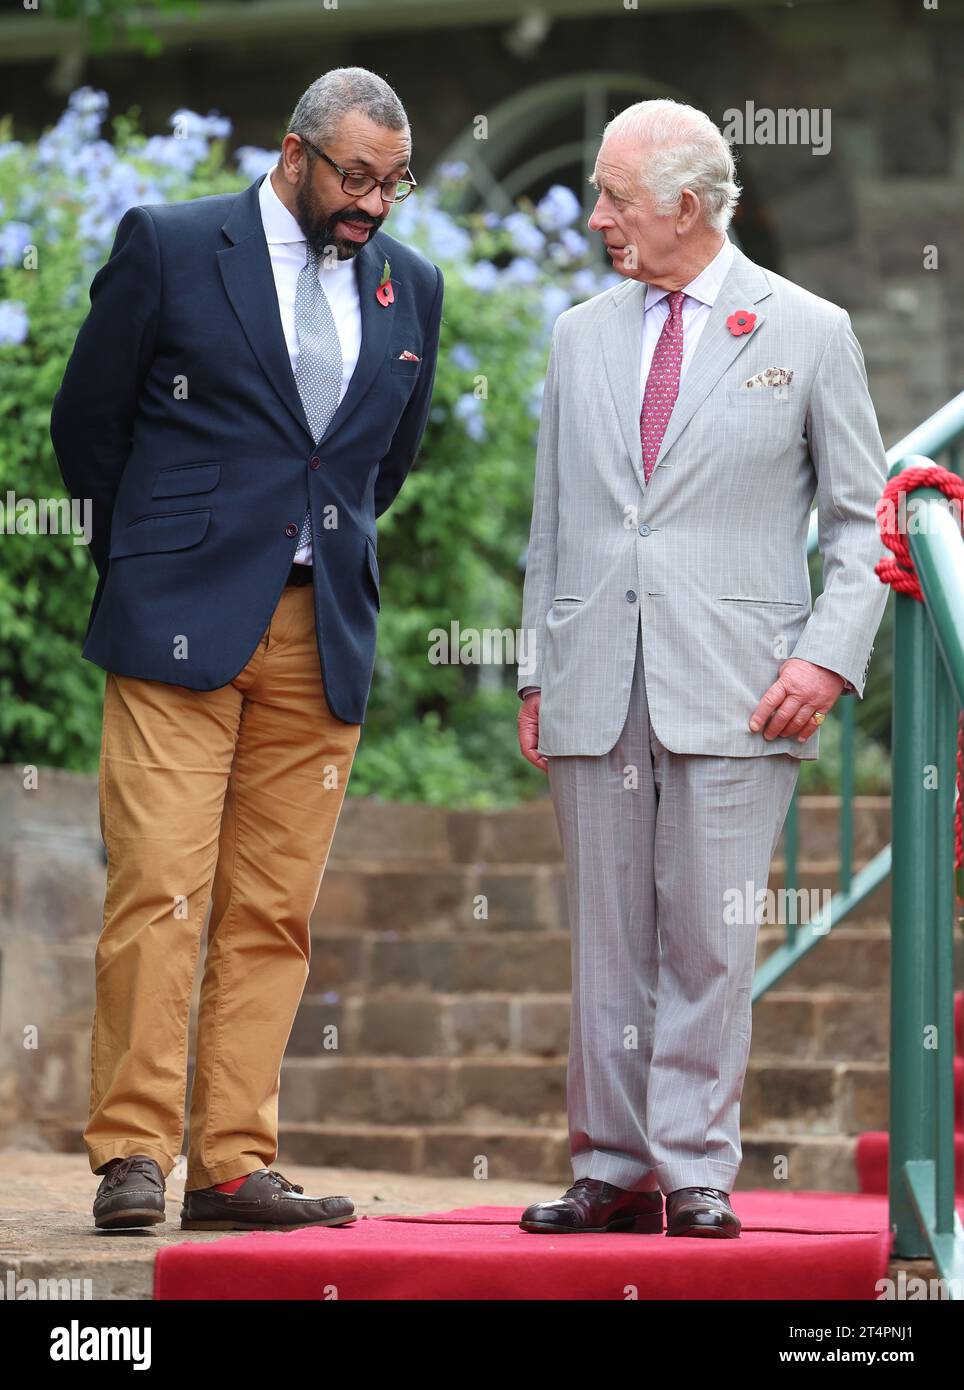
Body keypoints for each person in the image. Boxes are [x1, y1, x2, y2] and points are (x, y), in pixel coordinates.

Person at [50, 67, 443, 1232]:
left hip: (319, 633)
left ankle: (231, 1164)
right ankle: (132, 1154)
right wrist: (150, 561)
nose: (373, 203)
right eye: (357, 177)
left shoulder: (409, 287)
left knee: (273, 912)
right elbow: (90, 424)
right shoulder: (172, 245)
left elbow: (383, 463)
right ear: (295, 155)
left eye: (394, 182)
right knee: (160, 888)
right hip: (177, 622)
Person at [516, 98, 887, 1238]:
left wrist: (824, 661)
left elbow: (865, 521)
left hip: (742, 687)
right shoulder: (579, 331)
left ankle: (693, 1167)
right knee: (609, 943)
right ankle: (610, 1168)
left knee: (711, 940)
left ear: (687, 204)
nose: (597, 218)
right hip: (592, 678)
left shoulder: (810, 328)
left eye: (617, 198)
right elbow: (554, 520)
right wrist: (536, 668)